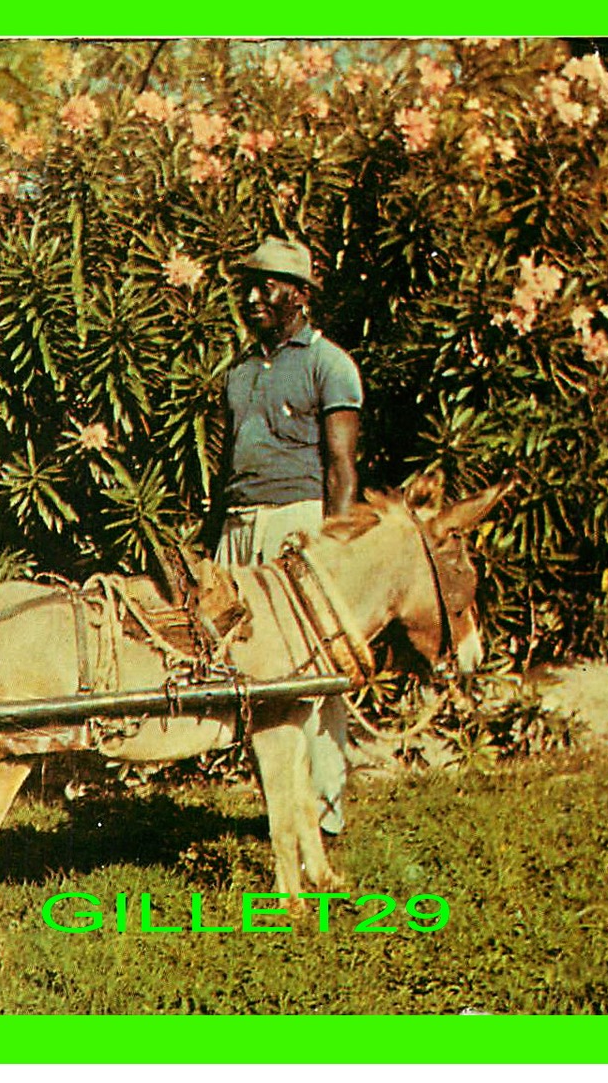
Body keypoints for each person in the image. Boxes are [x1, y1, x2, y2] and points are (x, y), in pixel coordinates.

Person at [205, 236, 362, 835]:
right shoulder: (240, 372)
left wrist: (331, 549)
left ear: (299, 294)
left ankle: (323, 814)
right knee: (242, 670)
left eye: (266, 286)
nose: (251, 299)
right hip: (240, 527)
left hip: (298, 524)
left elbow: (340, 467)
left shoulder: (329, 364)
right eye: (248, 287)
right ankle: (279, 807)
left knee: (313, 675)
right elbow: (226, 466)